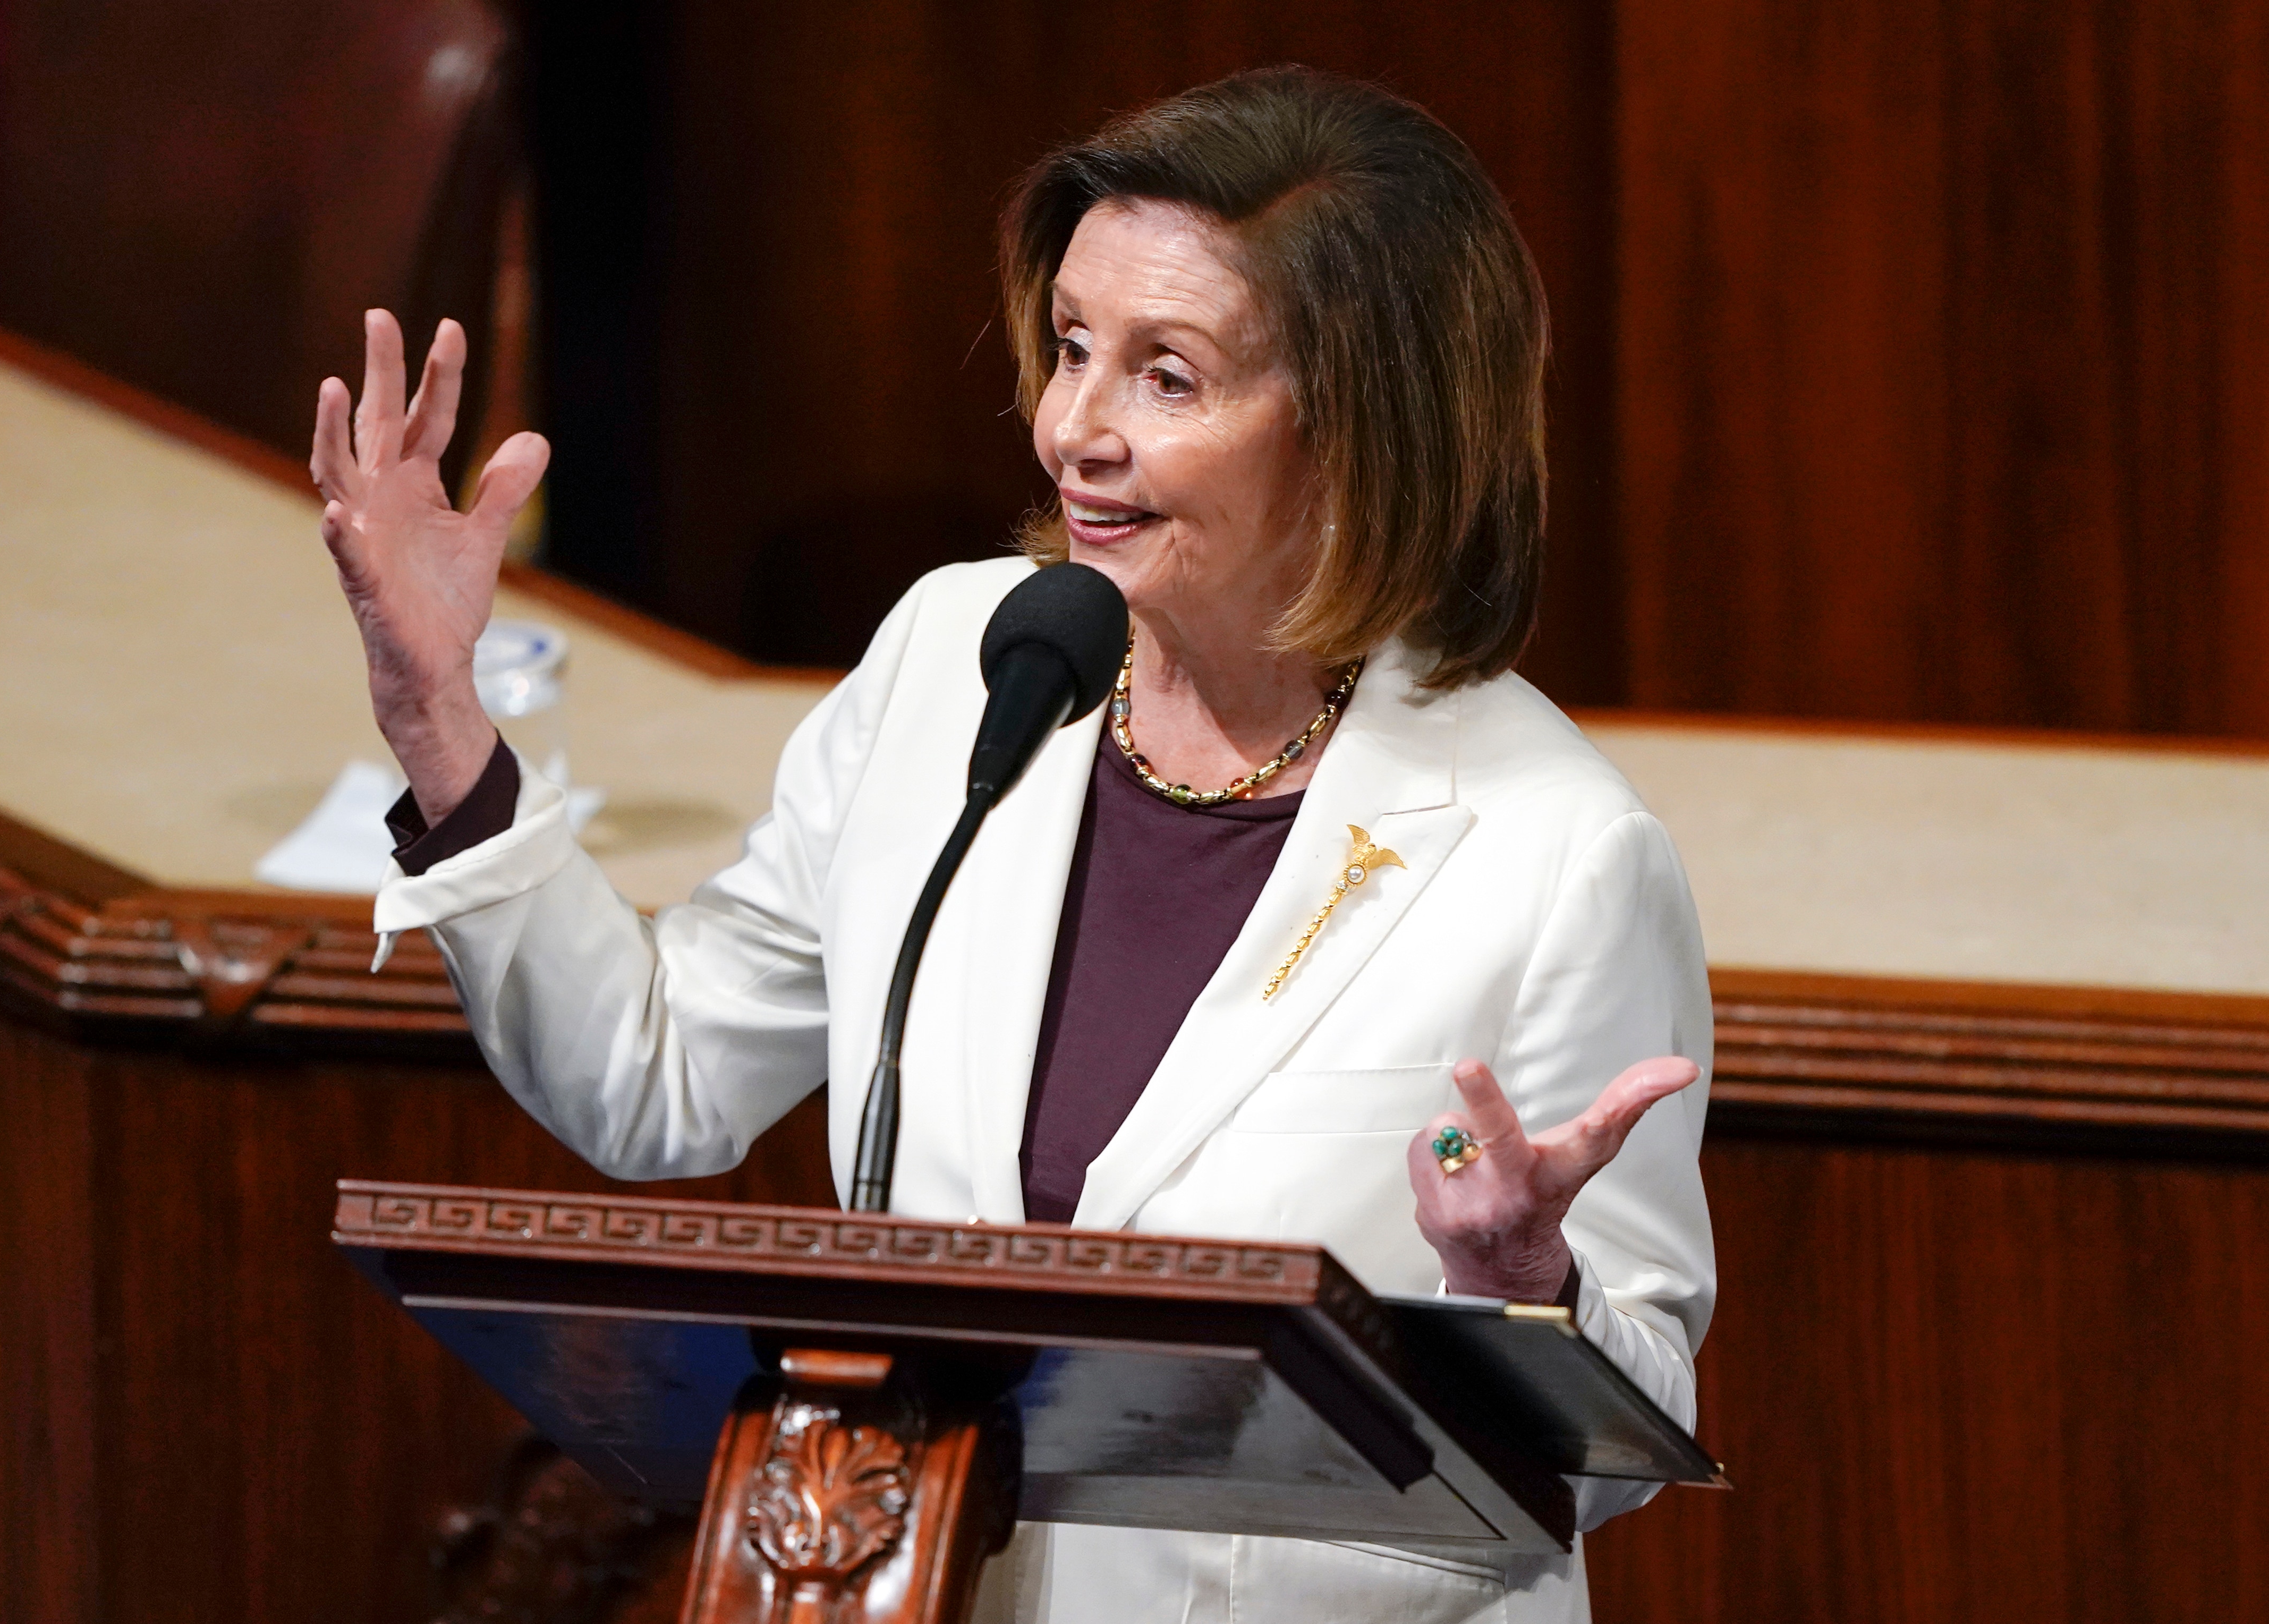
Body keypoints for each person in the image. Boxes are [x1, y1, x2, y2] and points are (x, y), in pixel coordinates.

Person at [311, 65, 1712, 1624]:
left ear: (1360, 430)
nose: (1073, 430)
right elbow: (658, 1074)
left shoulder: (1556, 850)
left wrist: (1525, 1282)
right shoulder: (960, 660)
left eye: (1166, 377)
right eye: (1069, 347)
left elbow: (1622, 1440)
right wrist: (441, 724)